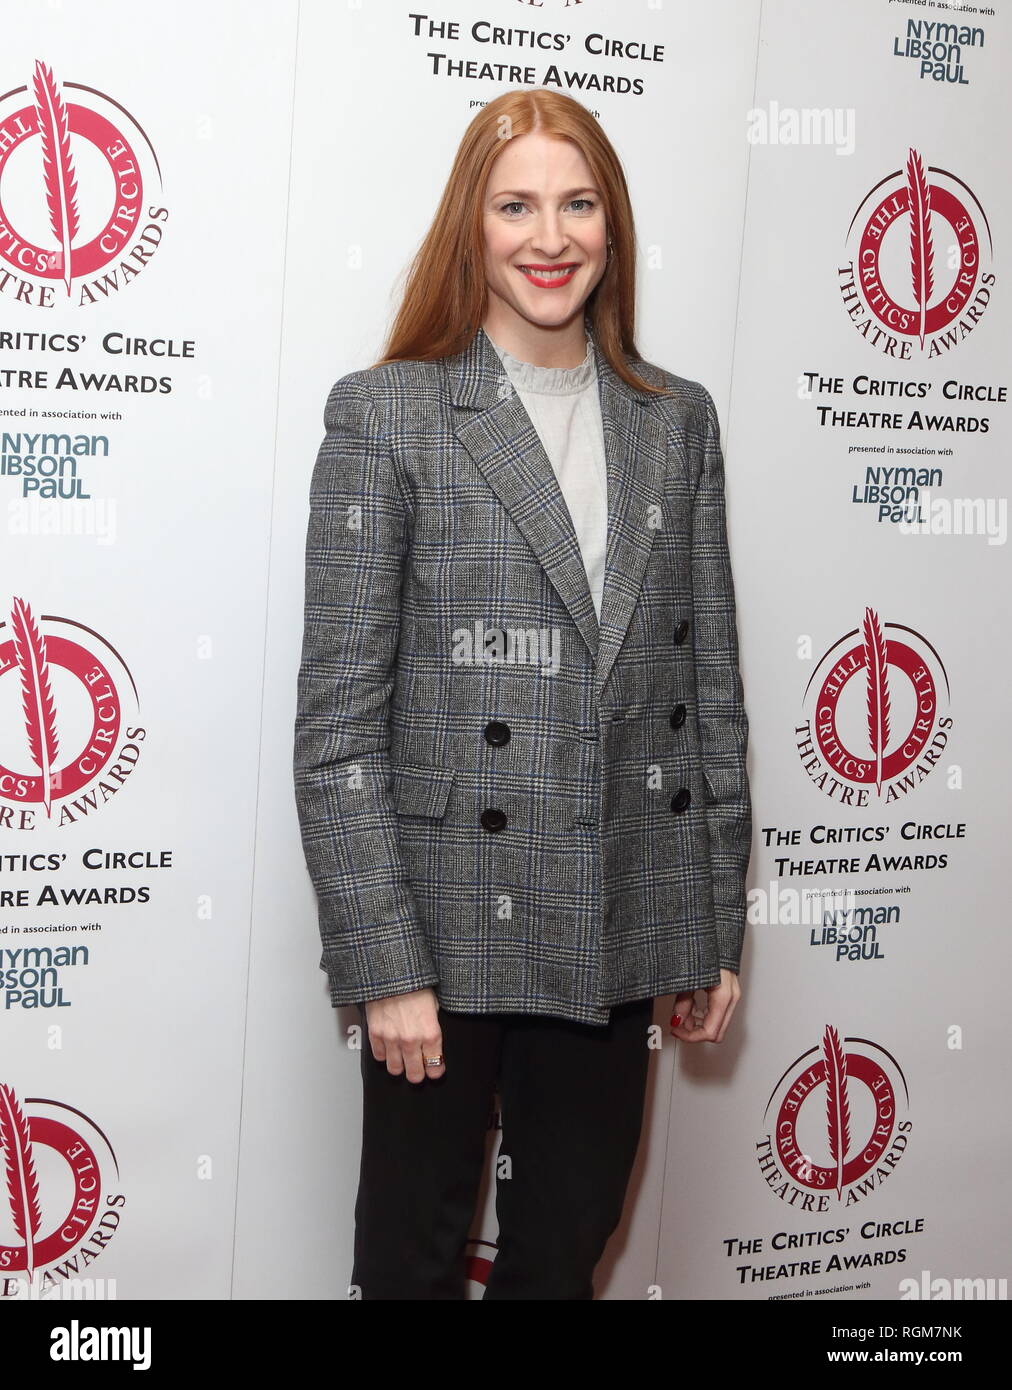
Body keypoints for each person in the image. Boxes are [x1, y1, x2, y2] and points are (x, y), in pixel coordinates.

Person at [293, 87, 752, 1300]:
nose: (549, 236)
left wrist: (711, 924)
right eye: (516, 205)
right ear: (472, 225)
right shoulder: (387, 413)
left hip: (617, 908)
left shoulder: (676, 420)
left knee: (565, 1251)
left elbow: (707, 689)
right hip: (442, 927)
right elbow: (339, 726)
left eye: (578, 203)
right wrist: (385, 962)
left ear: (612, 225)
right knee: (408, 1256)